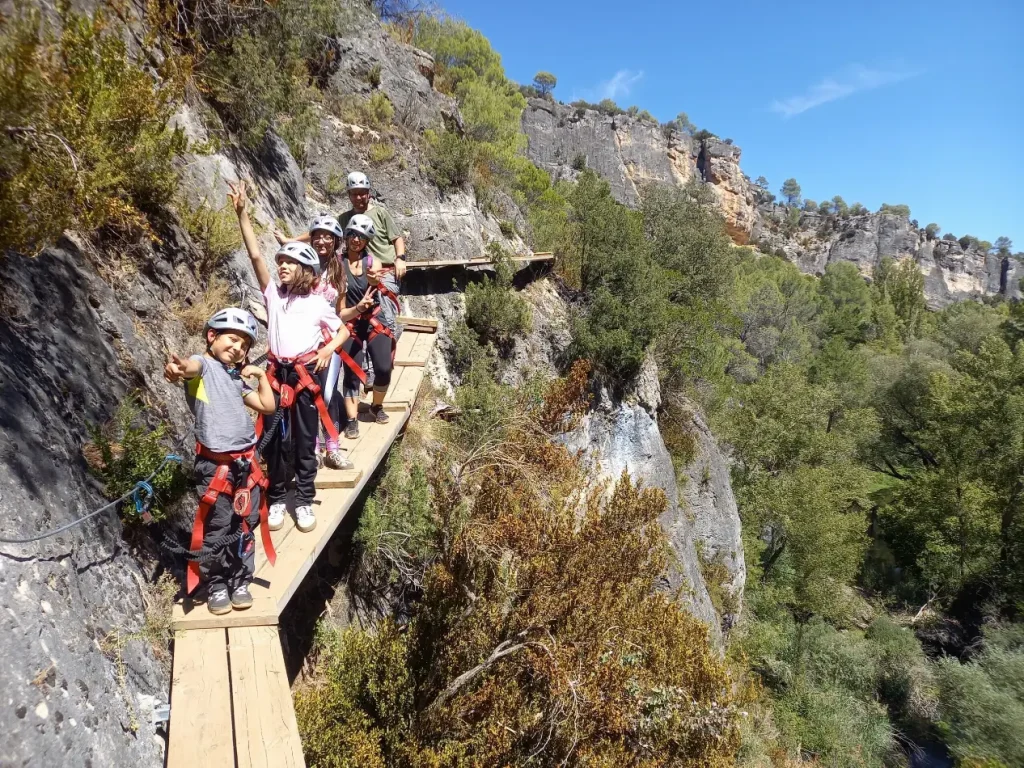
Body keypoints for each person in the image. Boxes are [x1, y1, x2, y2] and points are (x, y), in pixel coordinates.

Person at [229, 180, 351, 536]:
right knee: (276, 441)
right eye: (280, 262)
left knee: (303, 441)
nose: (280, 266)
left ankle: (305, 499)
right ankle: (279, 497)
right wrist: (243, 215)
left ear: (306, 271)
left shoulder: (317, 303)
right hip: (275, 376)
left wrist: (328, 350)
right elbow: (254, 256)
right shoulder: (273, 295)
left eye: (288, 262)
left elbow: (341, 331)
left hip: (303, 376)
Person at [163, 308, 277, 615]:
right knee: (217, 527)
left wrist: (262, 376)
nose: (238, 347)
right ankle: (216, 585)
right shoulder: (204, 368)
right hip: (216, 467)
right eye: (232, 338)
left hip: (245, 467)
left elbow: (268, 406)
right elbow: (187, 367)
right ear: (212, 336)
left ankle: (240, 579)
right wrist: (177, 368)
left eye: (244, 344)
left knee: (245, 524)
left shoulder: (233, 378)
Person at [328, 213, 400, 437]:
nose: (356, 240)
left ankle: (376, 405)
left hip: (374, 319)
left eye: (361, 237)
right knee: (351, 373)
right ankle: (351, 419)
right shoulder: (338, 265)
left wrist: (374, 282)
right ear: (347, 236)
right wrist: (358, 308)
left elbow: (376, 279)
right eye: (353, 235)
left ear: (367, 241)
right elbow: (341, 313)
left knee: (383, 368)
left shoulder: (372, 262)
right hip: (350, 322)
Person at [280, 171, 408, 279]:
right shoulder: (344, 218)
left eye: (362, 193)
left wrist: (400, 259)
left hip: (385, 269)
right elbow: (321, 231)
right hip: (359, 270)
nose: (358, 197)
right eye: (354, 193)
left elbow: (397, 238)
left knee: (384, 305)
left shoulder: (380, 213)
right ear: (349, 195)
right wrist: (291, 241)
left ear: (368, 193)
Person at [305, 214, 349, 470]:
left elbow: (339, 310)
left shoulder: (338, 270)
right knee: (310, 395)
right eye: (317, 236)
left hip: (330, 342)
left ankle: (332, 447)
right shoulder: (303, 267)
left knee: (330, 394)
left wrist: (357, 312)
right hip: (306, 341)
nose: (322, 241)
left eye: (328, 237)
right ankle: (312, 448)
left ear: (335, 241)